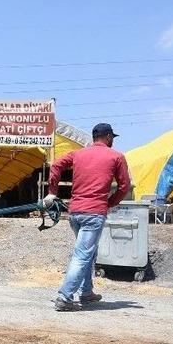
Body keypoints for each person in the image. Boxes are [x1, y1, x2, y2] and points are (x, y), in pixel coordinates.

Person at [43, 123, 130, 312]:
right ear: (108, 137)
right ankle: (65, 297)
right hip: (94, 213)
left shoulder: (77, 154)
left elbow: (56, 165)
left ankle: (87, 292)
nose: (113, 141)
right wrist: (109, 203)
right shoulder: (116, 156)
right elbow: (124, 186)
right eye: (112, 138)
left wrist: (52, 192)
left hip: (75, 213)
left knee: (88, 252)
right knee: (83, 255)